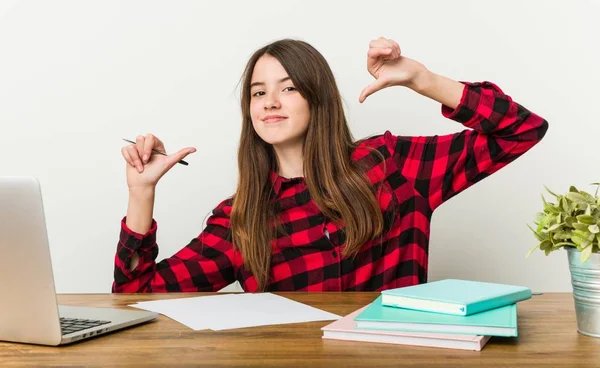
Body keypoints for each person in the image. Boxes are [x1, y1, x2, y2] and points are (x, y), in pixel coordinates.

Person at [113, 37, 548, 293]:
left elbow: (521, 130)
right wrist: (141, 194)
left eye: (288, 88)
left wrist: (423, 80)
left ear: (317, 99)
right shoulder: (240, 217)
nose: (271, 103)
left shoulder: (389, 166)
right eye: (258, 93)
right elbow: (138, 297)